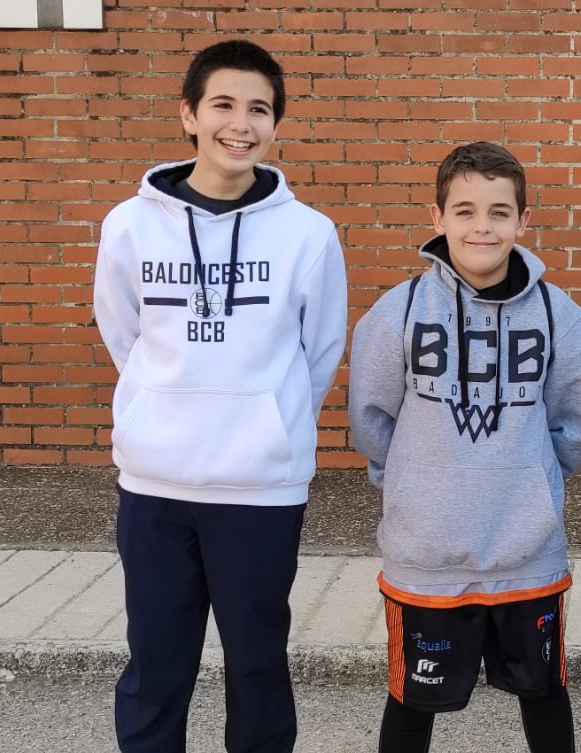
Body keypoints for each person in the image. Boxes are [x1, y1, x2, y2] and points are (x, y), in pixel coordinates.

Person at [92, 38, 347, 753]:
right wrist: (162, 403)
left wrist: (269, 422)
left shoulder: (308, 234)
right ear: (189, 115)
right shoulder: (129, 224)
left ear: (276, 125)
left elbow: (320, 352)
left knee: (258, 667)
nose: (241, 124)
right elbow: (124, 336)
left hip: (260, 489)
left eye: (259, 109)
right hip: (156, 486)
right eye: (224, 105)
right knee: (156, 667)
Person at [349, 141, 581, 753]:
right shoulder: (399, 311)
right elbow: (372, 418)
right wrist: (413, 481)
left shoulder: (559, 315)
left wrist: (533, 481)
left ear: (522, 221)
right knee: (411, 703)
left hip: (526, 553)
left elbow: (572, 424)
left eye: (498, 212)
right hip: (426, 555)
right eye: (464, 211)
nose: (482, 226)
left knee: (545, 696)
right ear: (437, 217)